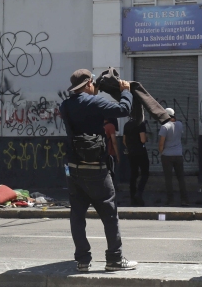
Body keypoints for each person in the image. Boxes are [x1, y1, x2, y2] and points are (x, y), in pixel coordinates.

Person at [60, 69, 137, 273]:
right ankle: (114, 259)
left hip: (73, 169)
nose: (94, 86)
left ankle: (83, 260)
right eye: (92, 83)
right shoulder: (93, 102)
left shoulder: (65, 105)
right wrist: (126, 91)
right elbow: (123, 110)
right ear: (87, 84)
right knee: (109, 214)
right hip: (96, 169)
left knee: (77, 215)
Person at [158, 108, 188, 205]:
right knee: (181, 178)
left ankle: (170, 200)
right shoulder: (180, 124)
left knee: (168, 179)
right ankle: (184, 200)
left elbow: (161, 143)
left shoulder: (164, 127)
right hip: (178, 155)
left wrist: (161, 152)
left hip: (167, 156)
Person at [123, 118, 149, 206]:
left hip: (131, 152)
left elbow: (124, 140)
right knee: (145, 173)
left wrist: (130, 147)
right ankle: (139, 193)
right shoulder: (140, 124)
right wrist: (146, 137)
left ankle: (132, 198)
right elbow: (142, 139)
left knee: (133, 174)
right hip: (141, 152)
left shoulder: (126, 124)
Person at [104, 118, 120, 199]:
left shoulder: (101, 126)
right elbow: (114, 141)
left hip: (102, 154)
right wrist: (117, 155)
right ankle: (111, 193)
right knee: (111, 174)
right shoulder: (111, 126)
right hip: (110, 153)